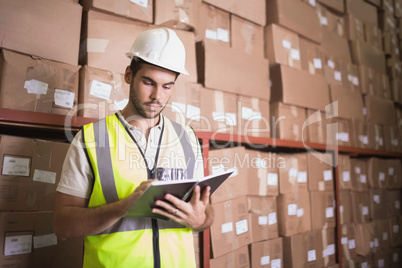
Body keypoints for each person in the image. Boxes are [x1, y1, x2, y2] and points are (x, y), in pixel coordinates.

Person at [53, 27, 214, 268]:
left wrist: (200, 219)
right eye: (148, 83)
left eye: (167, 86)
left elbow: (208, 211)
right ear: (129, 75)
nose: (157, 96)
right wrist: (124, 206)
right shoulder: (91, 139)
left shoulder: (187, 138)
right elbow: (62, 226)